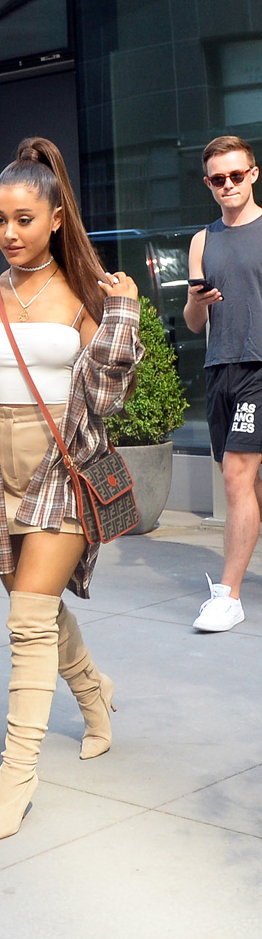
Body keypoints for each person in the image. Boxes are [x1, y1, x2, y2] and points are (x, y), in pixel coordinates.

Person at [0, 137, 141, 843]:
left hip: (63, 466)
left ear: (55, 217)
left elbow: (107, 400)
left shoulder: (88, 293)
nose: (10, 233)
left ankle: (15, 779)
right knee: (38, 612)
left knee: (27, 620)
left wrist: (121, 317)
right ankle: (93, 692)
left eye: (23, 218)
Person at [184, 136, 262, 632]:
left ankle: (229, 595)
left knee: (236, 475)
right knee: (249, 482)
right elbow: (193, 322)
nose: (228, 185)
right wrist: (201, 301)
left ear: (253, 174)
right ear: (208, 183)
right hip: (220, 368)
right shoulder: (202, 240)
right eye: (218, 179)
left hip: (260, 366)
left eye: (236, 175)